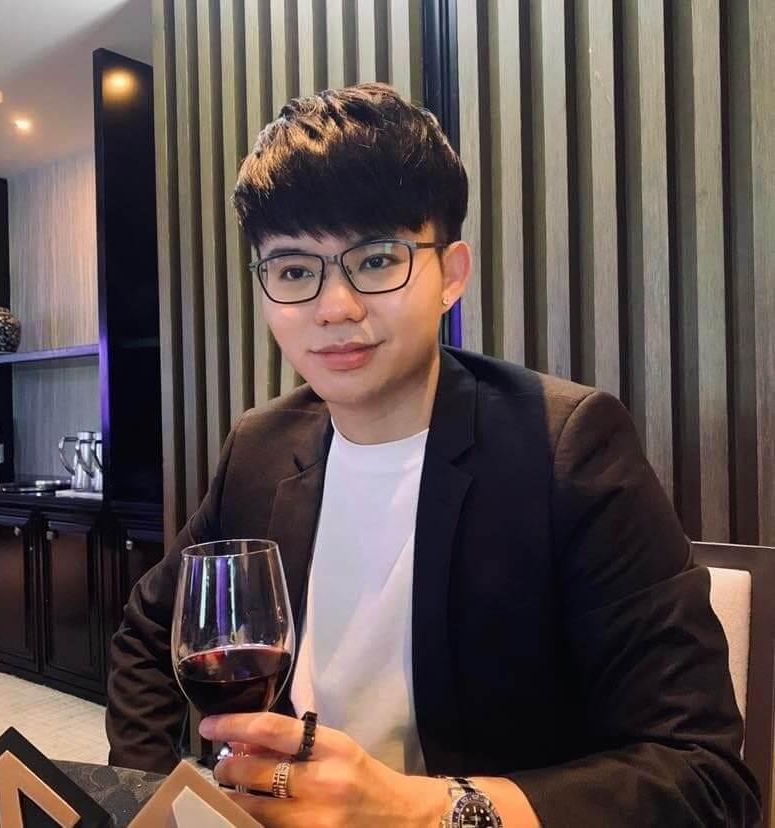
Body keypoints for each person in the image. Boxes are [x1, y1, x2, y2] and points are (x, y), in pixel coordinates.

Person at [106, 83, 761, 827]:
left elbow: (704, 778)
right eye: (292, 270)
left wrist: (418, 810)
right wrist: (155, 804)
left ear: (450, 274)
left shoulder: (566, 450)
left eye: (376, 259)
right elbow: (150, 633)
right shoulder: (260, 447)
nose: (335, 307)